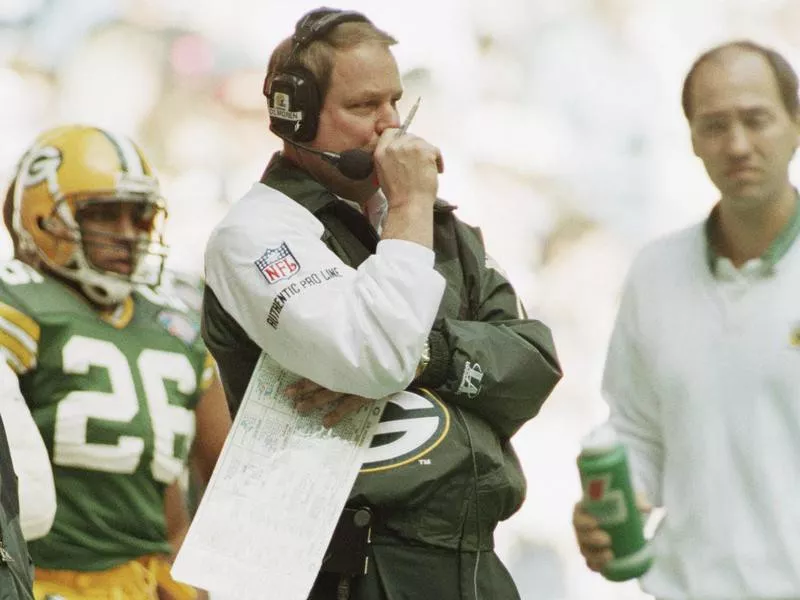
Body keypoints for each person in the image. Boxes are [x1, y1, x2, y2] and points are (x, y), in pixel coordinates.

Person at [201, 6, 562, 600]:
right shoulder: (256, 233)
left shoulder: (442, 229)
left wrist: (430, 358)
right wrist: (412, 209)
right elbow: (374, 355)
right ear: (296, 114)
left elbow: (532, 363)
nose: (392, 128)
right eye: (365, 107)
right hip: (344, 567)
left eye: (395, 102)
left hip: (472, 560)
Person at [572, 40, 800, 600]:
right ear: (692, 139)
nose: (738, 144)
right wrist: (613, 510)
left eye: (757, 120)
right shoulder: (655, 272)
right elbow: (636, 431)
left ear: (796, 124)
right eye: (714, 125)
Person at [1, 124, 232, 600]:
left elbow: (202, 486)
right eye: (106, 215)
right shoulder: (20, 304)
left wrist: (191, 572)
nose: (128, 235)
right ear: (43, 217)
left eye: (140, 216)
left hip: (146, 583)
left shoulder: (174, 323)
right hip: (42, 581)